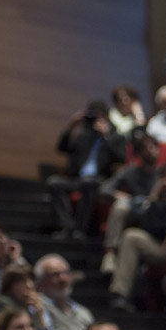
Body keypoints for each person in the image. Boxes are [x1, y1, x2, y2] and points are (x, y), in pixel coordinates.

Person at [108, 159, 166, 312]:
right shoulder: (161, 201)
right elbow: (149, 228)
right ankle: (120, 294)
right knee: (132, 236)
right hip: (162, 248)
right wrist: (155, 197)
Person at [46, 100, 127, 237]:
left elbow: (121, 158)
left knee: (88, 182)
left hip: (101, 181)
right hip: (79, 179)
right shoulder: (84, 135)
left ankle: (79, 230)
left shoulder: (116, 137)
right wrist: (71, 126)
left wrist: (105, 137)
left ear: (106, 116)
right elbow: (62, 148)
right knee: (54, 182)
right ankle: (68, 226)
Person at [96, 132, 162, 274]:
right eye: (146, 147)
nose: (150, 150)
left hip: (156, 212)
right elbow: (104, 188)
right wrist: (118, 195)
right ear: (139, 152)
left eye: (153, 147)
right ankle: (110, 254)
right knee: (120, 207)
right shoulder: (130, 171)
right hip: (134, 208)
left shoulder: (164, 173)